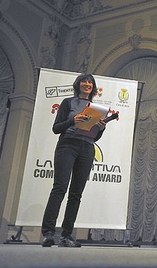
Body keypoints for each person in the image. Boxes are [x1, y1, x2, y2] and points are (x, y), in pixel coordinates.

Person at [41, 73, 107, 248]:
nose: (87, 84)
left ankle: (66, 235)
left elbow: (95, 137)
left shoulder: (95, 107)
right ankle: (48, 233)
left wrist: (101, 128)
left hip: (87, 148)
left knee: (76, 193)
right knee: (59, 188)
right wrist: (73, 120)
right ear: (78, 85)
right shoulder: (68, 103)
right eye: (84, 81)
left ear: (93, 87)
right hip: (67, 145)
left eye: (90, 82)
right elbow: (56, 128)